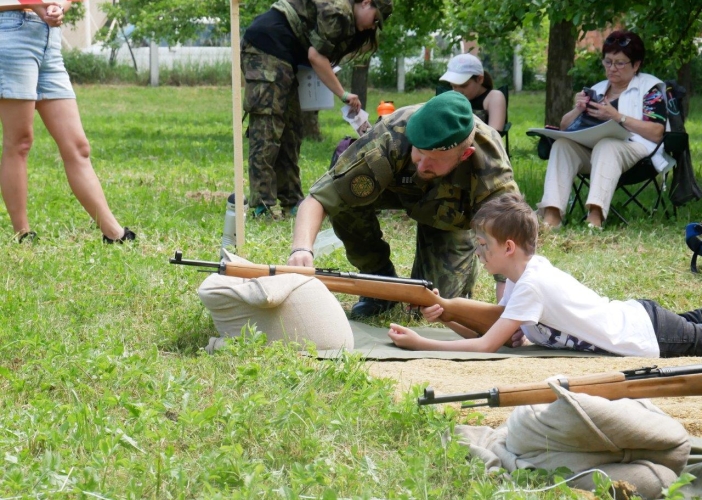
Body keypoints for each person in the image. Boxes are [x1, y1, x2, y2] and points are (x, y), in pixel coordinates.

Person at [287, 91, 518, 318]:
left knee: (432, 307)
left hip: (449, 214)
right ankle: (378, 282)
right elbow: (319, 198)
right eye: (419, 152)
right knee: (345, 203)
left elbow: (510, 238)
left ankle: (462, 260)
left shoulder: (489, 161)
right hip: (393, 189)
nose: (422, 165)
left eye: (434, 160)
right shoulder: (390, 137)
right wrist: (301, 250)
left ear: (465, 155)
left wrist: (509, 310)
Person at [388, 192, 702, 358]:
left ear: (509, 247)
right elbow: (505, 340)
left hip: (644, 334)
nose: (478, 252)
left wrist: (421, 343)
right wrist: (447, 316)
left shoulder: (530, 285)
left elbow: (485, 347)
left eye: (483, 245)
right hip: (641, 320)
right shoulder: (521, 278)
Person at [241, 0, 392, 220]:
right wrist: (343, 94)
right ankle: (261, 205)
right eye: (375, 19)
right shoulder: (339, 12)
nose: (372, 26)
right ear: (366, 2)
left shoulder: (346, 20)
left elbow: (320, 56)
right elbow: (316, 56)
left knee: (290, 131)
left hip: (285, 56)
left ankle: (292, 202)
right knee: (268, 128)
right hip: (266, 46)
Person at [0, 2, 135, 244]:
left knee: (78, 146)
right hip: (11, 29)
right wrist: (37, 5)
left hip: (49, 39)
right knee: (19, 141)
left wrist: (59, 7)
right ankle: (22, 234)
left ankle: (114, 233)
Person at [538, 31, 668, 229]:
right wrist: (577, 109)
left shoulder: (649, 89)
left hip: (638, 152)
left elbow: (656, 132)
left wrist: (617, 117)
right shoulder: (597, 89)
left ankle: (595, 216)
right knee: (562, 145)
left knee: (607, 145)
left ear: (636, 65)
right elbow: (565, 127)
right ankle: (552, 216)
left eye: (620, 63)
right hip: (595, 152)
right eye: (608, 62)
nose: (612, 68)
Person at [439, 53, 506, 133]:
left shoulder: (493, 97)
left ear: (479, 79)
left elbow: (495, 133)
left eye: (463, 86)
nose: (458, 91)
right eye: (454, 86)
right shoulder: (450, 97)